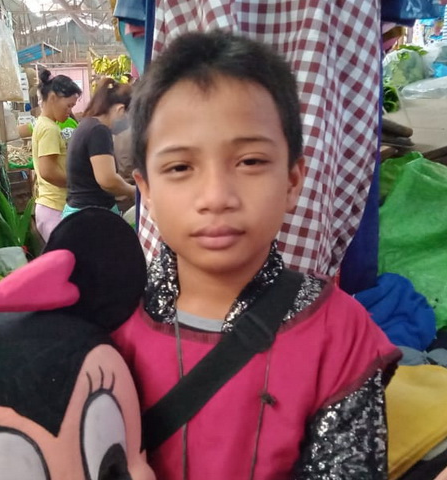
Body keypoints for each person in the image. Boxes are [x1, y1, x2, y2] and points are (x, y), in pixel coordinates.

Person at [111, 32, 401, 479]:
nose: (216, 197)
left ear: (292, 180)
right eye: (180, 167)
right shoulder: (110, 326)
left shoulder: (340, 332)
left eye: (249, 162)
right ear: (145, 190)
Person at [62, 78, 136, 218]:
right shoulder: (99, 130)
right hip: (91, 215)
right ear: (121, 110)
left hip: (81, 211)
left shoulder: (87, 124)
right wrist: (133, 191)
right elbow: (107, 180)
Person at [31, 69, 81, 242]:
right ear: (53, 98)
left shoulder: (44, 124)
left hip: (51, 206)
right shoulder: (49, 129)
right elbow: (48, 171)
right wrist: (77, 182)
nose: (70, 111)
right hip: (54, 208)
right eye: (68, 105)